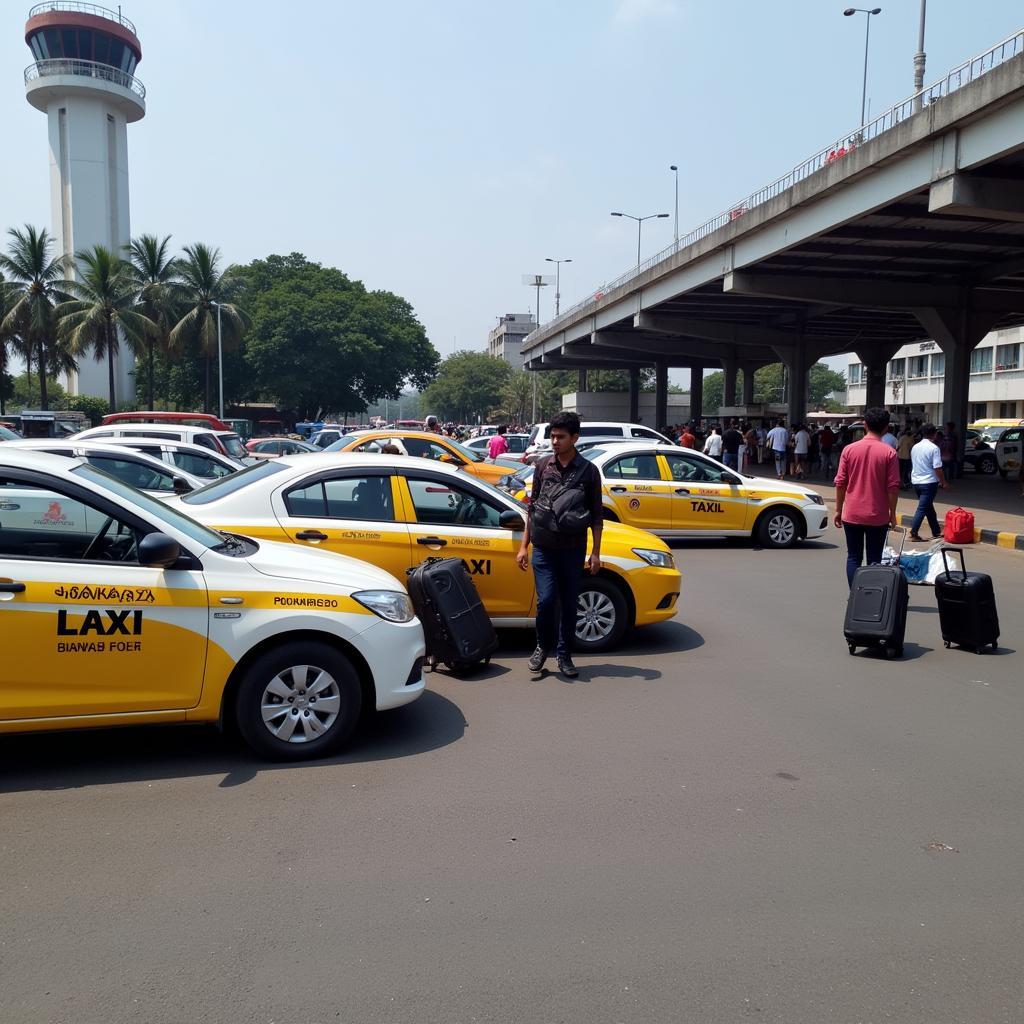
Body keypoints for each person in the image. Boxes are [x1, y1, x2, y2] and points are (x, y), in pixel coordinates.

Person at [515, 412, 603, 679]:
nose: (554, 441)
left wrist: (595, 553)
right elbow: (533, 509)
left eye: (560, 437)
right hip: (543, 548)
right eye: (552, 436)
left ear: (574, 438)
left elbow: (597, 516)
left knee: (568, 603)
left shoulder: (589, 472)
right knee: (546, 601)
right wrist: (523, 546)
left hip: (573, 548)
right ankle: (542, 646)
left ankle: (564, 655)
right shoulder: (542, 466)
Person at [833, 406, 901, 588]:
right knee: (874, 558)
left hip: (852, 513)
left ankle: (854, 595)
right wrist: (892, 514)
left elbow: (840, 483)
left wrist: (839, 510)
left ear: (864, 424)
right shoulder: (889, 453)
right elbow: (893, 488)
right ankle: (869, 596)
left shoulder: (849, 450)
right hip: (877, 516)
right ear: (886, 427)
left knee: (854, 556)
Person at [909, 423, 949, 541]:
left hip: (916, 481)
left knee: (928, 507)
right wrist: (944, 482)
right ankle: (913, 533)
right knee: (923, 508)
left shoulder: (915, 447)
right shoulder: (934, 448)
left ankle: (936, 531)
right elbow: (937, 468)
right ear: (934, 434)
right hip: (929, 482)